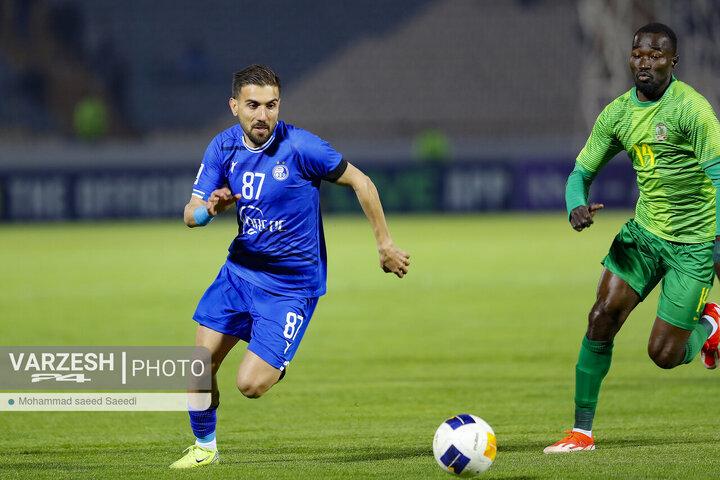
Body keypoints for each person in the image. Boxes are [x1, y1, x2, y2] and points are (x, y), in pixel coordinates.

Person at [170, 64, 410, 468]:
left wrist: (384, 244)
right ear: (234, 106)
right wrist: (210, 211)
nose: (262, 115)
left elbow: (361, 181)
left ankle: (273, 358)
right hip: (239, 274)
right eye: (252, 105)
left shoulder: (301, 147)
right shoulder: (222, 148)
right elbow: (190, 214)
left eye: (271, 105)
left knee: (250, 385)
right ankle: (204, 448)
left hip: (290, 288)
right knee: (197, 364)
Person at [544, 23, 720, 454]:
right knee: (601, 317)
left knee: (663, 354)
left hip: (692, 244)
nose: (646, 62)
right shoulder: (617, 113)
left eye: (656, 56)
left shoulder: (693, 112)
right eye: (639, 54)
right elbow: (580, 173)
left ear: (672, 62)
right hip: (643, 235)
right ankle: (581, 432)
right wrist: (575, 205)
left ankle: (712, 322)